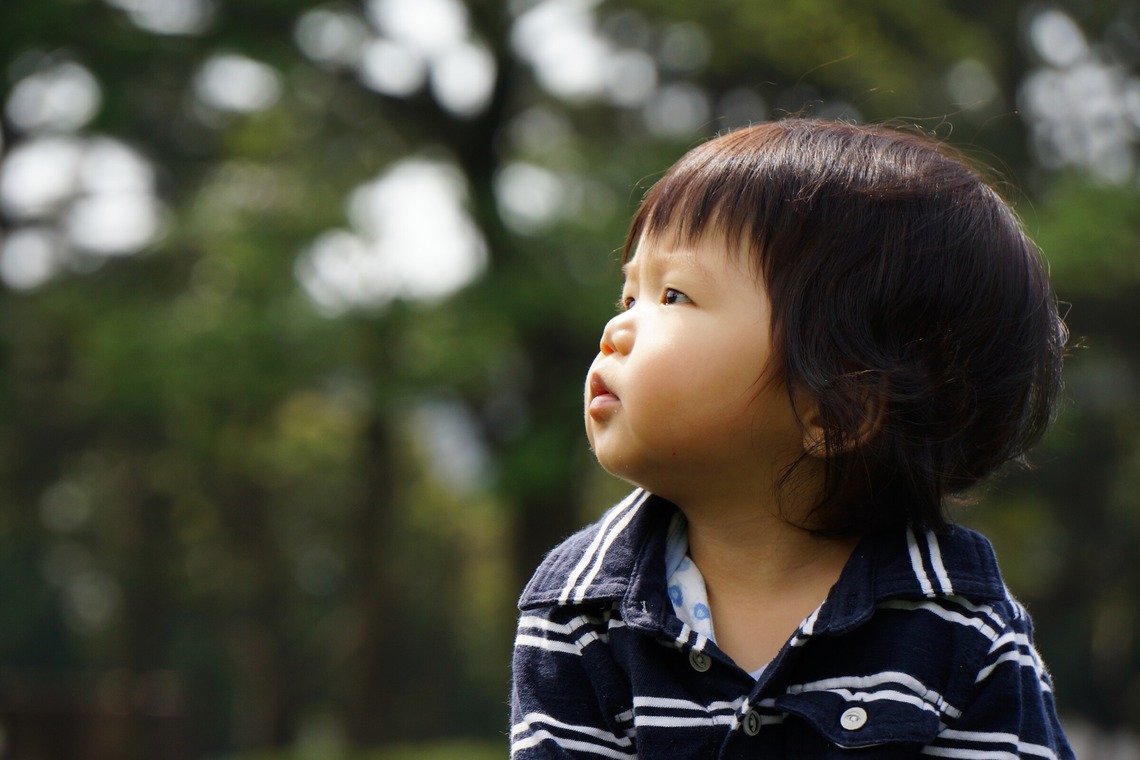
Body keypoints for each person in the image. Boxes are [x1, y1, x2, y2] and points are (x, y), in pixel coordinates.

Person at [509, 119, 1075, 758]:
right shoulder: (581, 612)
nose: (617, 328)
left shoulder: (962, 628)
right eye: (630, 294)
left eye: (673, 295)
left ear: (836, 410)